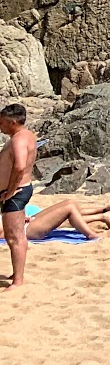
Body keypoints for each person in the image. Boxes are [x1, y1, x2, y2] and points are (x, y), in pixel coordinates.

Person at [0, 103, 39, 288]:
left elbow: (19, 166)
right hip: (19, 190)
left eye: (2, 123)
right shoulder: (27, 136)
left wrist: (10, 191)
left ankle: (18, 282)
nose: (0, 126)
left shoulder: (19, 139)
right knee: (16, 235)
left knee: (14, 236)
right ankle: (17, 275)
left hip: (16, 193)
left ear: (13, 122)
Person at [17, 196, 110, 241]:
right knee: (69, 209)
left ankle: (103, 213)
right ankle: (91, 235)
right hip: (24, 230)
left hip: (23, 224)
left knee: (69, 202)